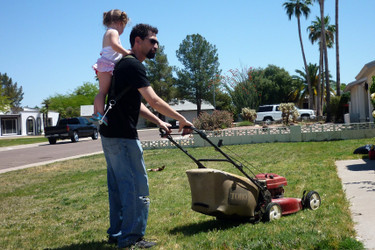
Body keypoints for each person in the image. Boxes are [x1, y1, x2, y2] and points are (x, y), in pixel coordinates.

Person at [99, 23, 193, 249]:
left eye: (158, 42)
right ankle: (131, 238)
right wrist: (181, 118)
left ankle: (118, 233)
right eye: (152, 41)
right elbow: (155, 100)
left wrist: (160, 121)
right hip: (122, 136)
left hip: (110, 134)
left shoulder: (124, 65)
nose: (157, 46)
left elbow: (135, 103)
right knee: (135, 186)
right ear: (137, 41)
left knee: (119, 186)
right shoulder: (133, 65)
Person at [92, 9, 131, 125]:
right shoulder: (113, 32)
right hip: (106, 66)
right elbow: (114, 45)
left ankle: (97, 113)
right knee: (102, 92)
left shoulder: (109, 32)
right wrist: (127, 53)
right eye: (124, 26)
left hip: (106, 66)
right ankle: (98, 114)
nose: (123, 30)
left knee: (103, 92)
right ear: (120, 23)